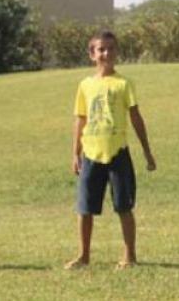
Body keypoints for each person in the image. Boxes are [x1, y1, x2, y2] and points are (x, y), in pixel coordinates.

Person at [66, 31, 156, 270]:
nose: (106, 53)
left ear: (117, 52)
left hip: (117, 153)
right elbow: (80, 119)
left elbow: (135, 117)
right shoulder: (85, 85)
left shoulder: (123, 84)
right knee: (85, 208)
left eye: (111, 49)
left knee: (124, 206)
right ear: (92, 54)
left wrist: (147, 152)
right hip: (91, 154)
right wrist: (75, 153)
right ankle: (83, 255)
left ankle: (129, 256)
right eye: (101, 49)